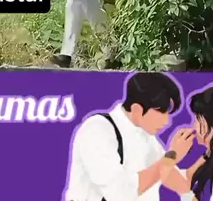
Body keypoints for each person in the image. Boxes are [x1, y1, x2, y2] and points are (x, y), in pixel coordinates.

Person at [64, 72, 195, 200]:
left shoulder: (145, 135)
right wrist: (172, 155)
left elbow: (170, 175)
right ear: (137, 109)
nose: (167, 121)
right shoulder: (97, 130)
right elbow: (120, 194)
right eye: (161, 111)